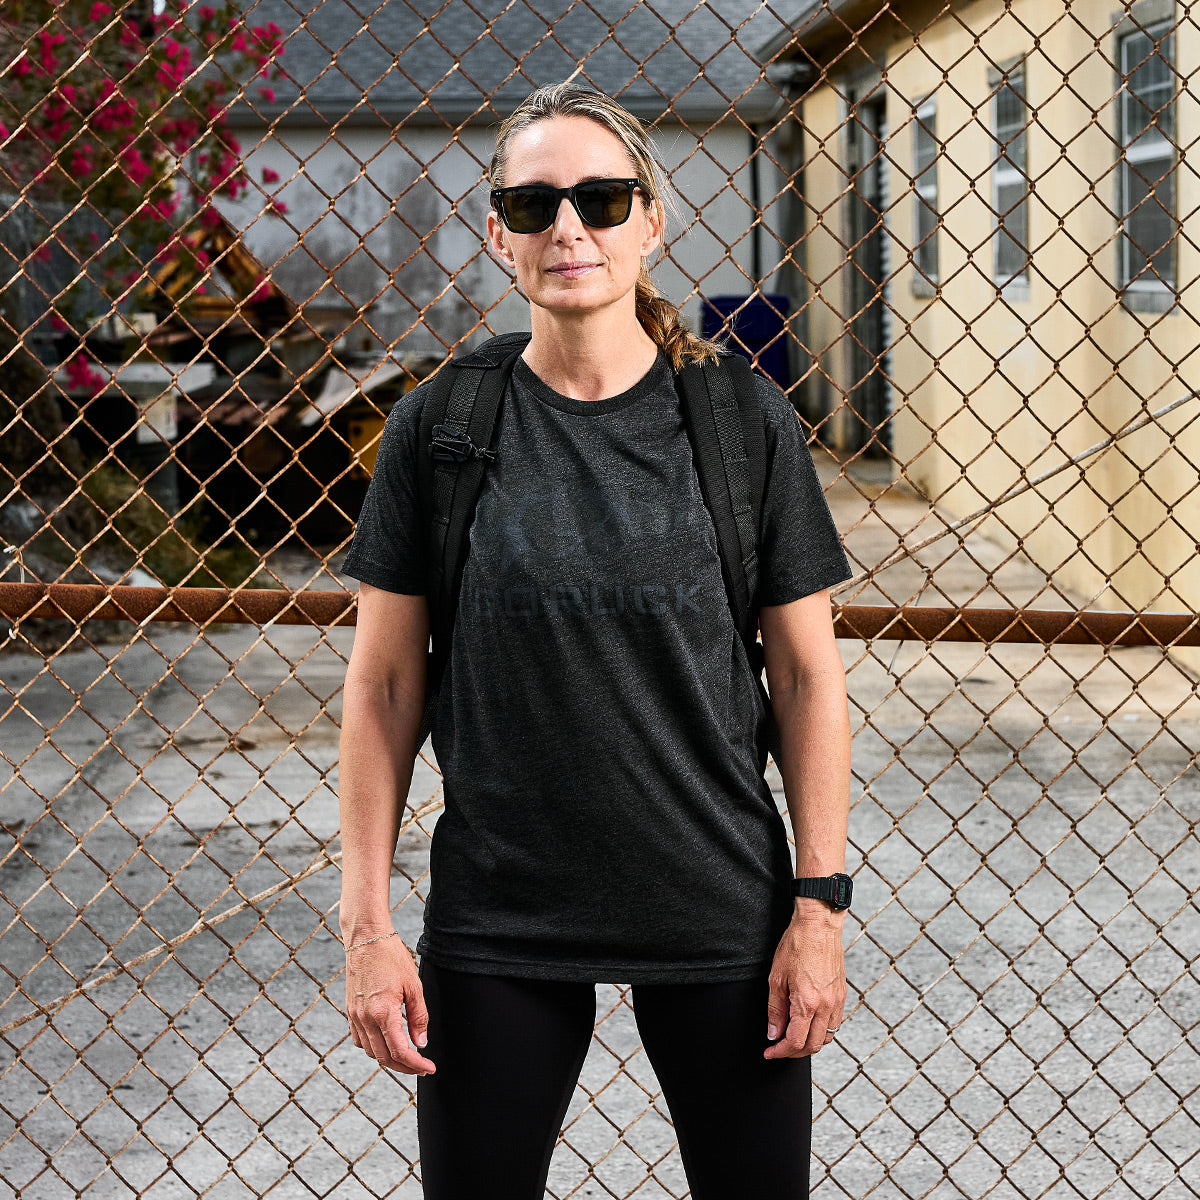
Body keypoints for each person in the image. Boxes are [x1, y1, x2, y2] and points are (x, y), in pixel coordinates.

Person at [337, 81, 853, 1200]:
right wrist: (368, 929)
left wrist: (819, 906)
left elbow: (809, 678)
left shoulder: (737, 419)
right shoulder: (444, 425)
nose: (569, 229)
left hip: (718, 904)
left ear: (651, 221)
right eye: (533, 206)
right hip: (503, 913)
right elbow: (381, 689)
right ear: (499, 235)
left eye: (602, 199)